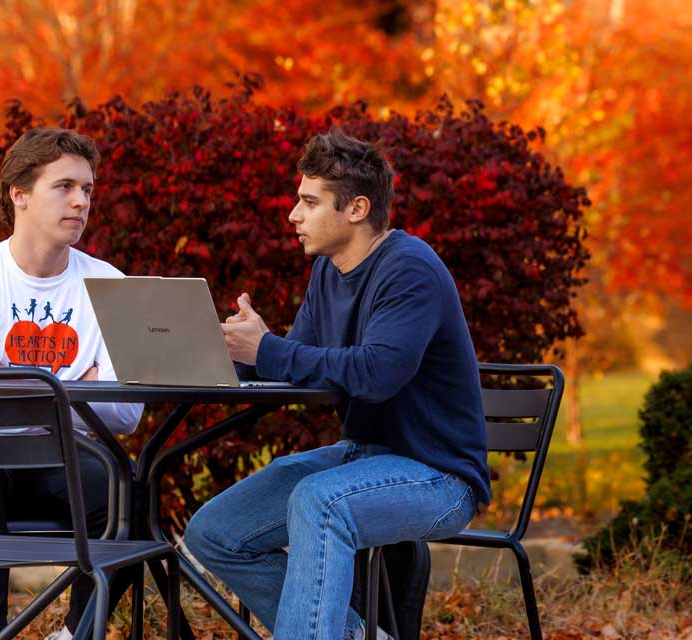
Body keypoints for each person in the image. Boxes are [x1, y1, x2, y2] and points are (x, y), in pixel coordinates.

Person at [184, 129, 491, 640]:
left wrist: (269, 350)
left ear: (356, 209)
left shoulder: (410, 269)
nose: (293, 215)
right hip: (362, 458)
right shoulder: (328, 273)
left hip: (438, 476)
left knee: (319, 502)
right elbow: (297, 362)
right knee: (215, 532)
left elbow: (377, 374)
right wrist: (228, 356)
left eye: (309, 202)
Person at [0, 128, 142, 640]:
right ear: (19, 194)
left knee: (132, 498)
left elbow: (126, 414)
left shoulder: (109, 285)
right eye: (64, 187)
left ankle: (74, 635)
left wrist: (11, 381)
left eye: (87, 189)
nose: (81, 201)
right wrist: (75, 385)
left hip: (58, 462)